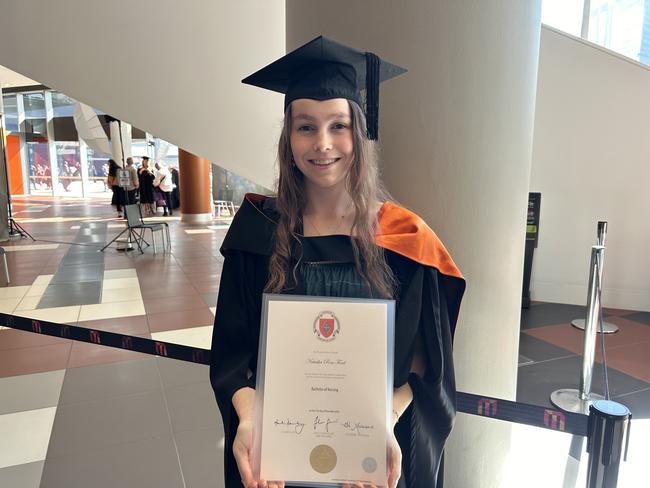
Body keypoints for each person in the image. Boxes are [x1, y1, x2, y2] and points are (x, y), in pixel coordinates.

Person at [210, 36, 465, 488]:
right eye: (305, 126)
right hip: (280, 460)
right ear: (288, 137)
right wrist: (250, 421)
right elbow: (232, 358)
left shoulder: (404, 239)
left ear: (360, 134)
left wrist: (381, 424)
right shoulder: (256, 233)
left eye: (338, 126)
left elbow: (428, 365)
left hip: (366, 462)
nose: (322, 144)